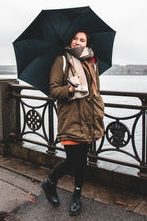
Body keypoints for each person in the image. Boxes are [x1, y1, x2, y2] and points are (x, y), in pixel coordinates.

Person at [42, 31, 105, 216]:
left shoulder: (92, 63)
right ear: (71, 41)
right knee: (73, 159)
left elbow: (96, 90)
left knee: (82, 159)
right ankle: (50, 182)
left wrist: (99, 109)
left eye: (82, 40)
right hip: (70, 118)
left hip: (89, 117)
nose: (78, 42)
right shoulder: (61, 61)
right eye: (75, 38)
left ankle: (77, 195)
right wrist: (70, 88)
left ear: (87, 44)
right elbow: (53, 91)